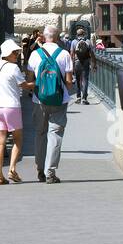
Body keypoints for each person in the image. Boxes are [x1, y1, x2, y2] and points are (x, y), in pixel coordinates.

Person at [28, 24, 74, 183]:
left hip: (39, 100)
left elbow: (30, 80)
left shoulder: (34, 54)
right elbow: (69, 81)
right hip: (59, 100)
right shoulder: (65, 54)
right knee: (55, 135)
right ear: (57, 38)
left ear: (44, 37)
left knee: (40, 133)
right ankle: (50, 172)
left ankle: (40, 170)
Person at [0, 39, 34, 185]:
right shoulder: (13, 68)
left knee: (0, 142)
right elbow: (25, 86)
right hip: (11, 107)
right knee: (18, 140)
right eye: (15, 52)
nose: (17, 54)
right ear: (7, 53)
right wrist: (37, 84)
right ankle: (12, 169)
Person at [72, 31, 93, 104]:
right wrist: (94, 64)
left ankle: (78, 97)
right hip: (86, 62)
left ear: (77, 34)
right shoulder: (88, 41)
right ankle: (84, 99)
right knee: (85, 80)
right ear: (84, 34)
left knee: (77, 80)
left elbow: (72, 54)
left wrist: (72, 65)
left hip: (77, 62)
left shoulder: (74, 42)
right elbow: (92, 54)